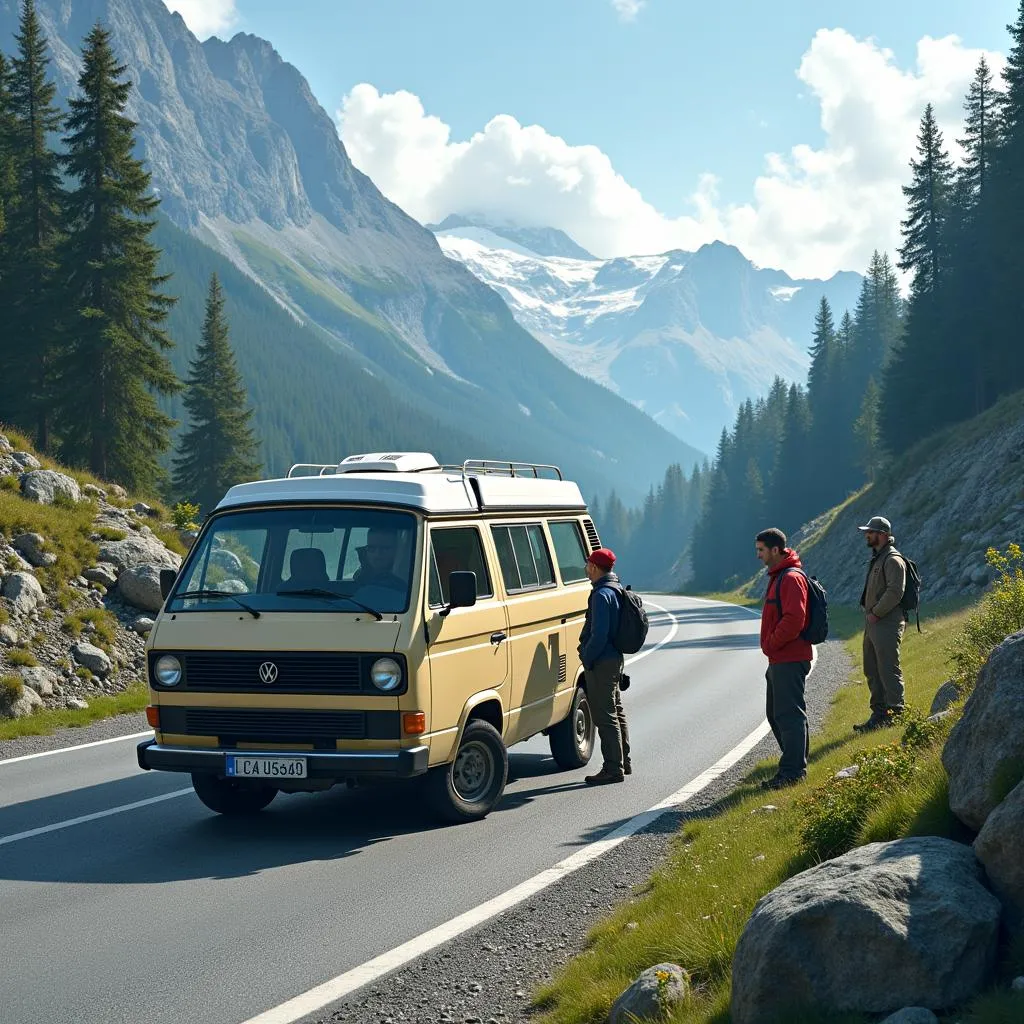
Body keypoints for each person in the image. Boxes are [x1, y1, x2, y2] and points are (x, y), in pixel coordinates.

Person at [756, 527, 812, 789]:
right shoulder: (779, 575)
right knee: (777, 713)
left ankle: (792, 772)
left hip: (788, 657)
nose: (758, 556)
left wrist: (770, 644)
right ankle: (795, 763)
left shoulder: (790, 578)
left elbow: (794, 619)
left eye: (761, 550)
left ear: (775, 550)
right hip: (779, 659)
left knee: (788, 715)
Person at [578, 547, 631, 786]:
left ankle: (612, 768)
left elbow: (599, 634)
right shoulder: (616, 588)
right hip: (615, 658)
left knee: (604, 716)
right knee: (616, 711)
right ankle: (623, 761)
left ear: (595, 568)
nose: (586, 569)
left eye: (588, 565)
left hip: (602, 661)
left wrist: (587, 657)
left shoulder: (600, 594)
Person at [855, 515, 907, 732]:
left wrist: (876, 612)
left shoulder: (893, 559)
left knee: (888, 668)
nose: (867, 535)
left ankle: (896, 713)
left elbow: (895, 592)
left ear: (883, 535)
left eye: (871, 532)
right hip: (874, 624)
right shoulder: (878, 558)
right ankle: (879, 714)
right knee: (872, 669)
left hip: (886, 622)